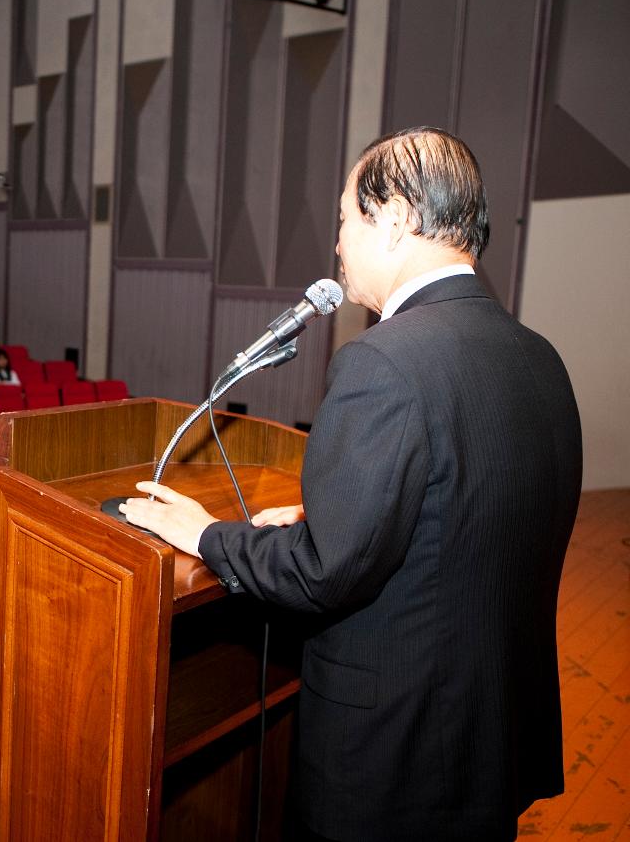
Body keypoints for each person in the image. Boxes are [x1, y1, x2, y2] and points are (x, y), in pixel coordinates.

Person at [118, 127, 583, 842]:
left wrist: (206, 536)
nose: (336, 243)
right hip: (488, 747)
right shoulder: (540, 359)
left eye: (343, 219)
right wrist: (327, 511)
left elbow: (323, 574)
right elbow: (473, 506)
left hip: (392, 768)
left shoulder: (384, 362)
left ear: (394, 219)